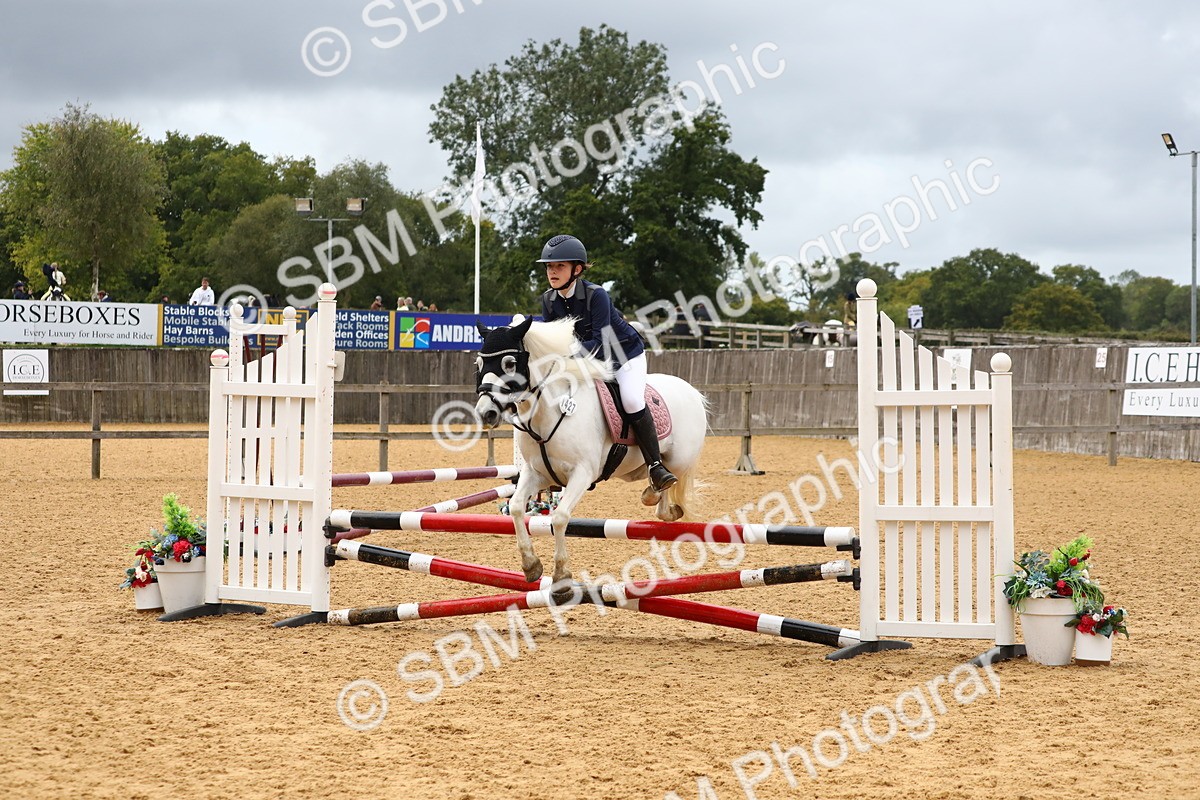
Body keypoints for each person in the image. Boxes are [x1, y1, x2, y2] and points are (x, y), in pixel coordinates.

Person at [536, 234, 676, 493]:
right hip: (585, 359)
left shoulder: (596, 295)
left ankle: (655, 465)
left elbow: (600, 343)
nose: (552, 272)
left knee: (632, 400)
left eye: (559, 266)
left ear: (577, 269)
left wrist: (564, 356)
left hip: (623, 356)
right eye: (549, 267)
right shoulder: (548, 300)